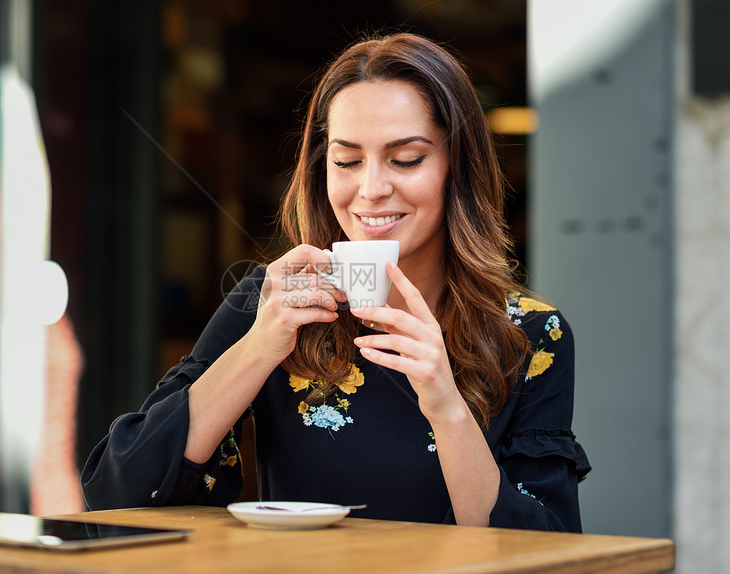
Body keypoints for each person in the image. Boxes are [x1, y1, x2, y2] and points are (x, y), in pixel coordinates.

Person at [81, 32, 590, 531]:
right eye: (346, 161)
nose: (371, 188)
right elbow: (116, 496)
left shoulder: (529, 334)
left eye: (406, 159)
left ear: (458, 168)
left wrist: (447, 407)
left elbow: (544, 548)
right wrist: (259, 347)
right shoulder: (273, 304)